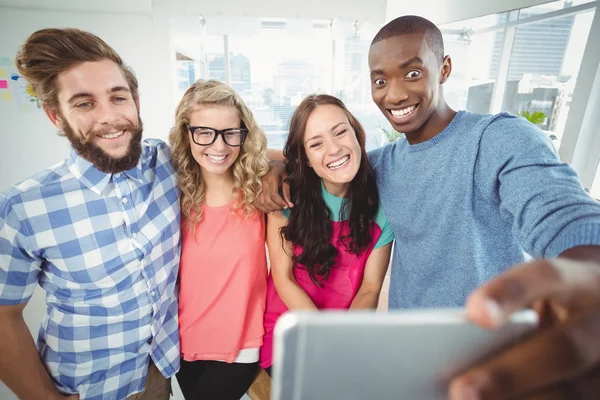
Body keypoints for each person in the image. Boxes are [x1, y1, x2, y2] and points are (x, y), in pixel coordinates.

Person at [258, 15, 600, 399]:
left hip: (497, 344)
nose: (396, 95)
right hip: (414, 352)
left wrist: (588, 259)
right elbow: (325, 160)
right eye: (381, 81)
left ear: (445, 68)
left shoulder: (499, 138)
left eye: (413, 72)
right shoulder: (381, 166)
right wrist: (278, 166)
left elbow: (558, 208)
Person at [0, 29, 180, 399]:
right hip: (84, 387)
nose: (110, 117)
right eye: (84, 104)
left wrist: (276, 168)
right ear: (56, 117)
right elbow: (3, 316)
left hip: (158, 374)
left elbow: (232, 153)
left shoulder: (168, 162)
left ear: (136, 101)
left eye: (118, 97)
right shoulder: (23, 207)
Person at [259, 94, 394, 375]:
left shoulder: (382, 207)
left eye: (340, 132)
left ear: (356, 133)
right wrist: (323, 339)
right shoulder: (285, 199)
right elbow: (283, 279)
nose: (334, 149)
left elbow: (370, 288)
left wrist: (340, 341)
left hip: (346, 331)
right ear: (306, 159)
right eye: (316, 144)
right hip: (290, 329)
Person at [168, 80, 269, 400]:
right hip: (184, 341)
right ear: (187, 133)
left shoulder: (260, 191)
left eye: (230, 133)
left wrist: (279, 164)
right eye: (205, 132)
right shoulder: (172, 194)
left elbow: (306, 155)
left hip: (240, 344)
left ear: (244, 135)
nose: (219, 145)